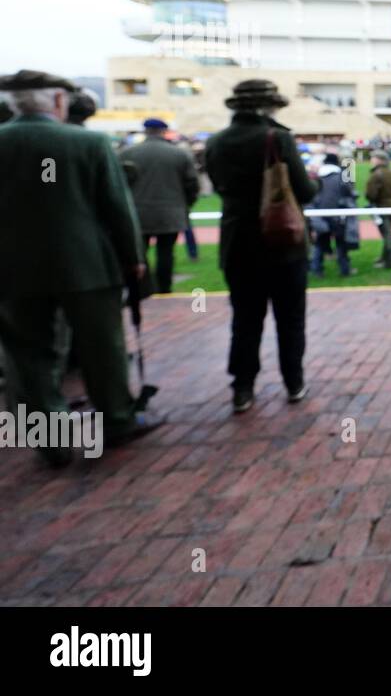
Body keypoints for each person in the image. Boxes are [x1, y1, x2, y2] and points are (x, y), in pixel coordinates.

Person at [0, 69, 166, 466]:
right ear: (58, 101)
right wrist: (134, 259)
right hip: (86, 265)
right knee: (102, 347)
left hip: (13, 270)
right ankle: (117, 420)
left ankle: (52, 441)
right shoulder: (88, 142)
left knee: (28, 356)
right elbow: (117, 207)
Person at [204, 80, 317, 414]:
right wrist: (315, 181)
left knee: (245, 320)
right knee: (290, 318)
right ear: (268, 107)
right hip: (281, 243)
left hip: (238, 244)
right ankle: (293, 382)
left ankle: (243, 388)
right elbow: (305, 191)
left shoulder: (215, 142)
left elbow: (218, 186)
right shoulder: (277, 138)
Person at [119, 118, 200, 295]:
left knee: (140, 253)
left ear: (146, 131)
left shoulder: (128, 153)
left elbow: (120, 184)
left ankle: (142, 289)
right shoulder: (179, 154)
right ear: (163, 131)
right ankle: (164, 289)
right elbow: (192, 184)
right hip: (170, 211)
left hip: (138, 212)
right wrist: (185, 204)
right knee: (166, 253)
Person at [308, 152, 354, 278]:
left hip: (320, 214)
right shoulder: (341, 177)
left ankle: (317, 269)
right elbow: (349, 192)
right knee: (340, 244)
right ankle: (345, 269)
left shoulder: (317, 177)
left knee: (320, 244)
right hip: (338, 215)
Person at [366, 150, 391, 270]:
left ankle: (389, 262)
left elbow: (371, 194)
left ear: (379, 160)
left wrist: (373, 200)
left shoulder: (377, 174)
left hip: (381, 207)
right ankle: (384, 257)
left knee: (387, 235)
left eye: (373, 158)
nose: (371, 160)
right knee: (387, 233)